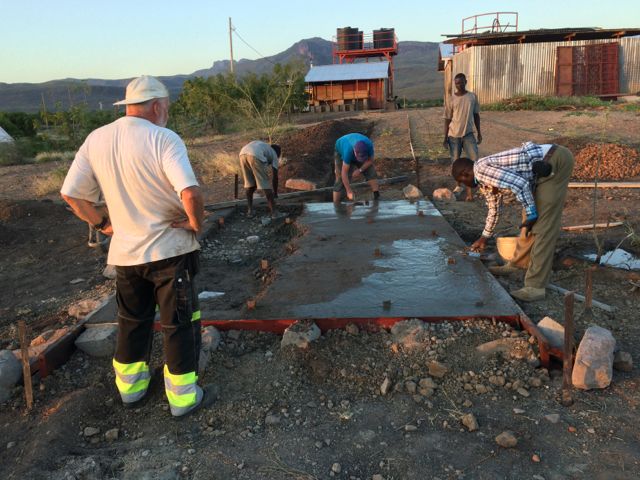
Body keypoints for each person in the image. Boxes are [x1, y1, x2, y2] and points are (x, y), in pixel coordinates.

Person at [60, 75, 213, 417]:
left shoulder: (96, 139)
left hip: (126, 256)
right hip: (170, 253)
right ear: (157, 106)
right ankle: (183, 400)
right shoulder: (163, 138)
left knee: (131, 321)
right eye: (166, 107)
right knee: (179, 323)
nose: (166, 113)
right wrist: (195, 224)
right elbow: (190, 192)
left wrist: (103, 224)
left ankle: (131, 391)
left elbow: (71, 194)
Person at [451, 142, 575, 302]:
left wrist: (532, 213)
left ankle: (536, 287)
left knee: (543, 226)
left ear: (465, 174)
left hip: (555, 161)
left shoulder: (481, 171)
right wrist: (484, 237)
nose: (465, 185)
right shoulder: (484, 181)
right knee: (528, 221)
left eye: (462, 182)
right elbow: (494, 210)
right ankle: (518, 264)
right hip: (541, 168)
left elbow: (521, 184)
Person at [443, 73, 482, 201]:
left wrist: (479, 132)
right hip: (454, 136)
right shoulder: (451, 99)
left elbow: (476, 115)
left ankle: (471, 190)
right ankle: (458, 186)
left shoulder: (472, 97)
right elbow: (447, 119)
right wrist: (445, 138)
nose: (458, 85)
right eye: (456, 83)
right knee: (456, 163)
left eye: (460, 82)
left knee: (474, 161)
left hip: (469, 134)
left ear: (465, 81)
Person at [333, 133, 380, 203]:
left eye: (362, 157)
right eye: (359, 158)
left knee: (370, 171)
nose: (360, 160)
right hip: (340, 148)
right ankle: (336, 204)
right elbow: (344, 173)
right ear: (354, 151)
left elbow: (371, 160)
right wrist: (349, 191)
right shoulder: (347, 151)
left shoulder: (369, 145)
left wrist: (360, 170)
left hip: (355, 148)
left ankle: (376, 196)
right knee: (340, 179)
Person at [238, 140, 280, 217]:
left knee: (249, 184)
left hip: (242, 153)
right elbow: (275, 177)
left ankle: (250, 211)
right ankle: (274, 212)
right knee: (265, 185)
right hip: (255, 154)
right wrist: (275, 193)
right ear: (278, 153)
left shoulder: (264, 147)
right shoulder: (274, 154)